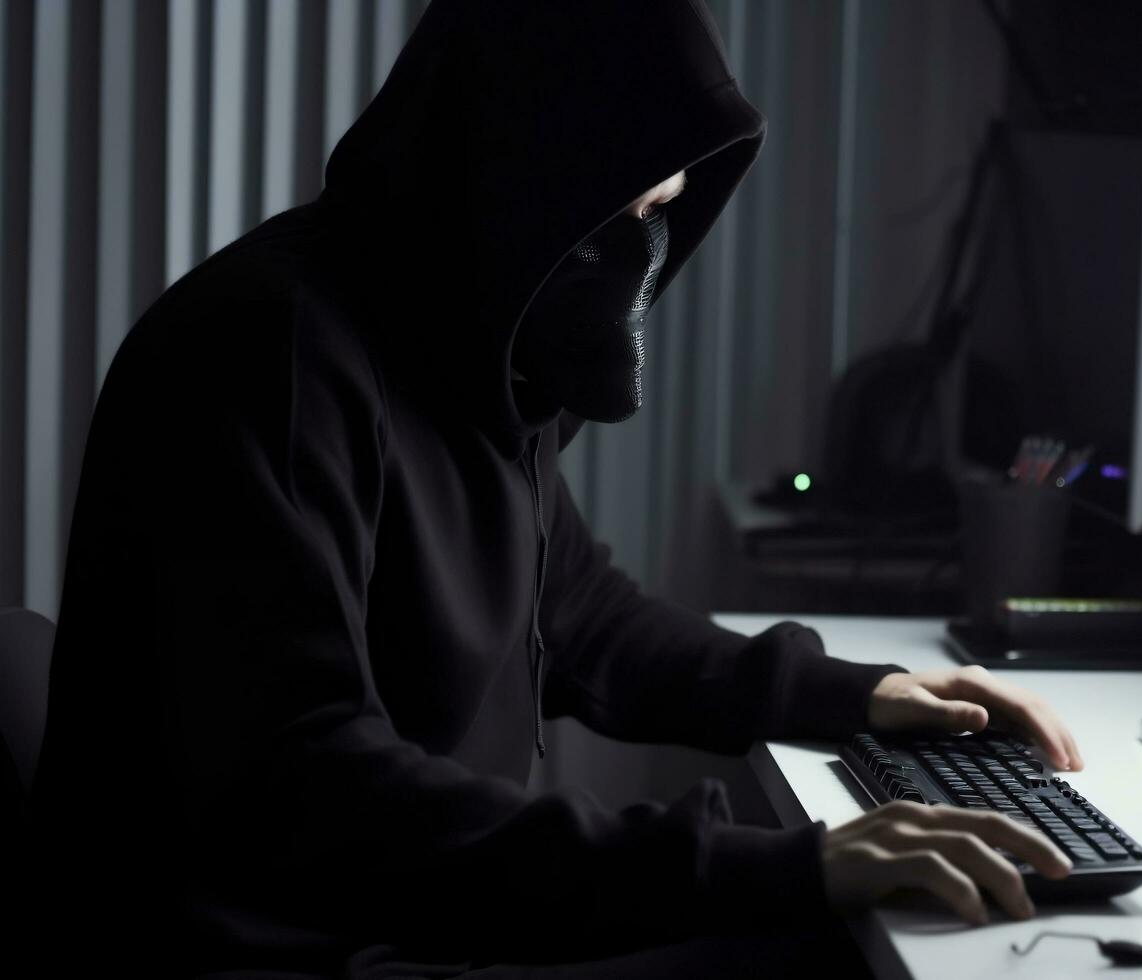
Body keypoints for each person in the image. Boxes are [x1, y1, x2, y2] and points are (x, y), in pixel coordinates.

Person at [31, 1, 1081, 976]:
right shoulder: (274, 356)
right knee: (846, 952)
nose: (638, 254)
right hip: (285, 947)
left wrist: (858, 693)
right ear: (506, 183)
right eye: (610, 213)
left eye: (664, 208)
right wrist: (774, 863)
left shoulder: (467, 347)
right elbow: (310, 788)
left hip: (395, 918)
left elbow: (580, 618)